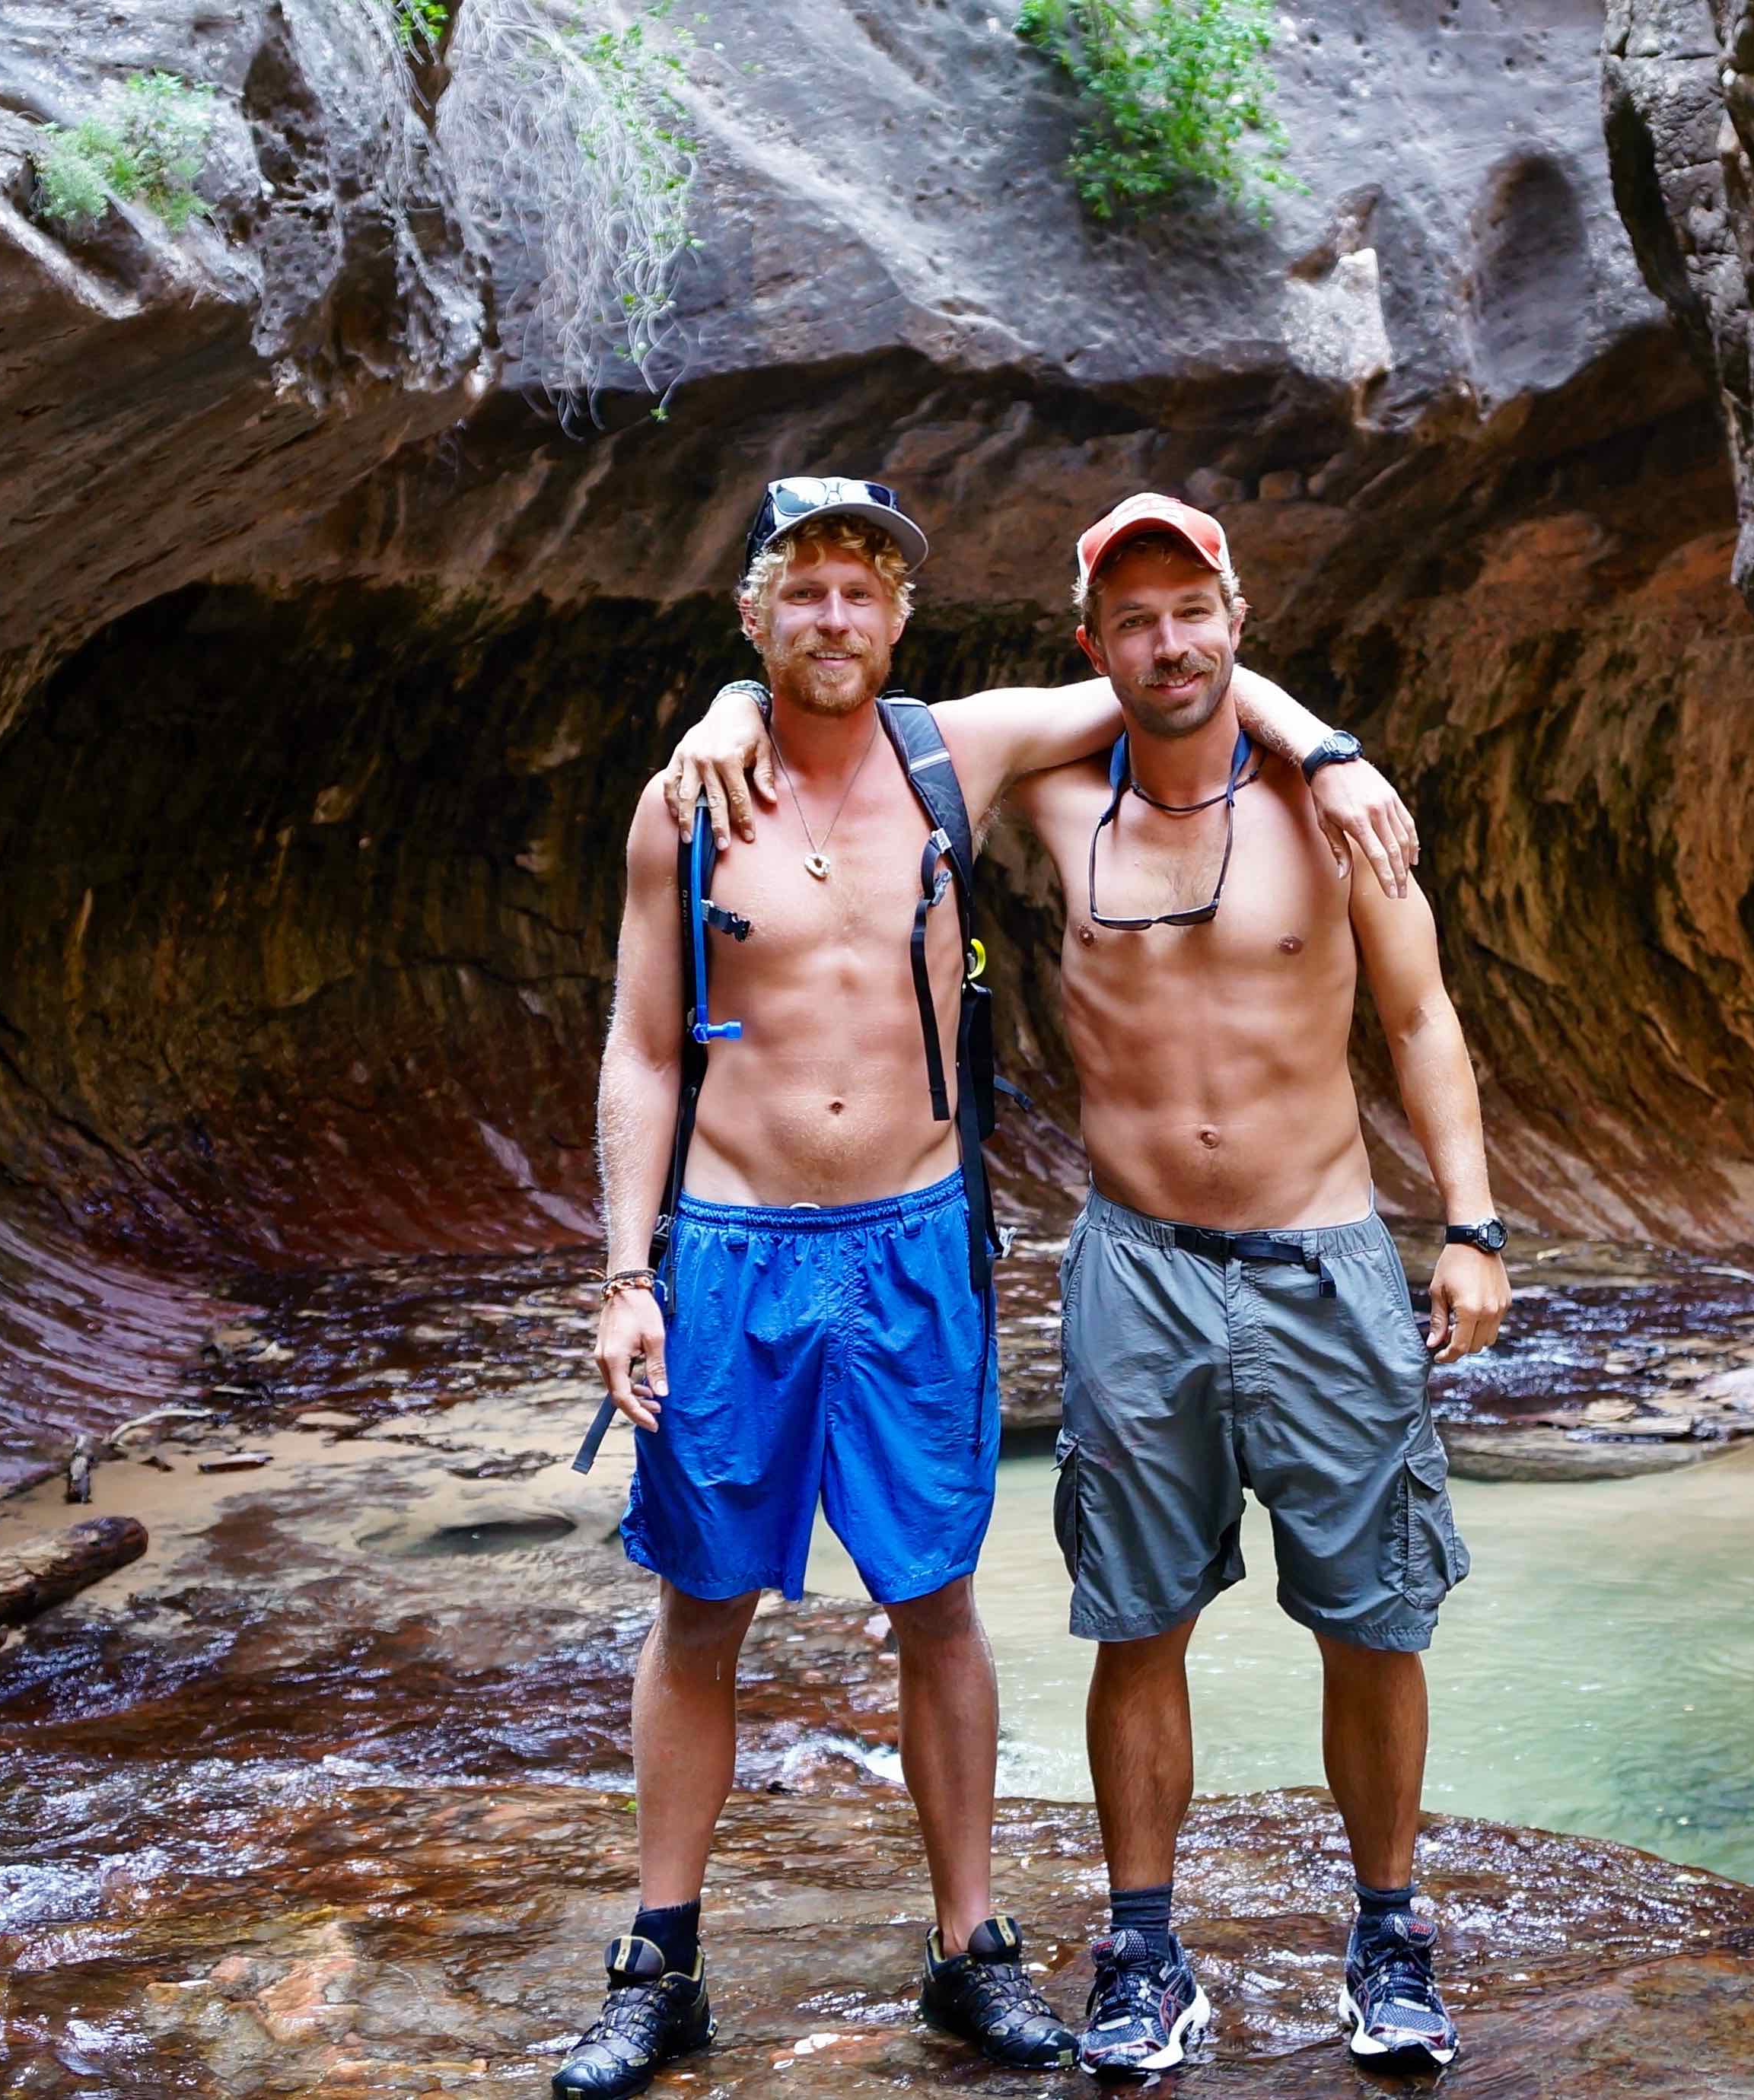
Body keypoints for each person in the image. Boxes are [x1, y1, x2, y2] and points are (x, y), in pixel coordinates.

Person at [553, 476, 1413, 2099]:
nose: (831, 618)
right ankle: (656, 1963)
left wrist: (1333, 750)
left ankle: (967, 1951)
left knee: (934, 1601)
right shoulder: (686, 803)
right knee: (698, 1605)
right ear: (750, 613)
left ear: (898, 618)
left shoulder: (954, 751)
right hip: (730, 1246)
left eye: (860, 590)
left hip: (911, 1244)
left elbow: (1186, 677)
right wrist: (621, 1275)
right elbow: (643, 1044)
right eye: (798, 592)